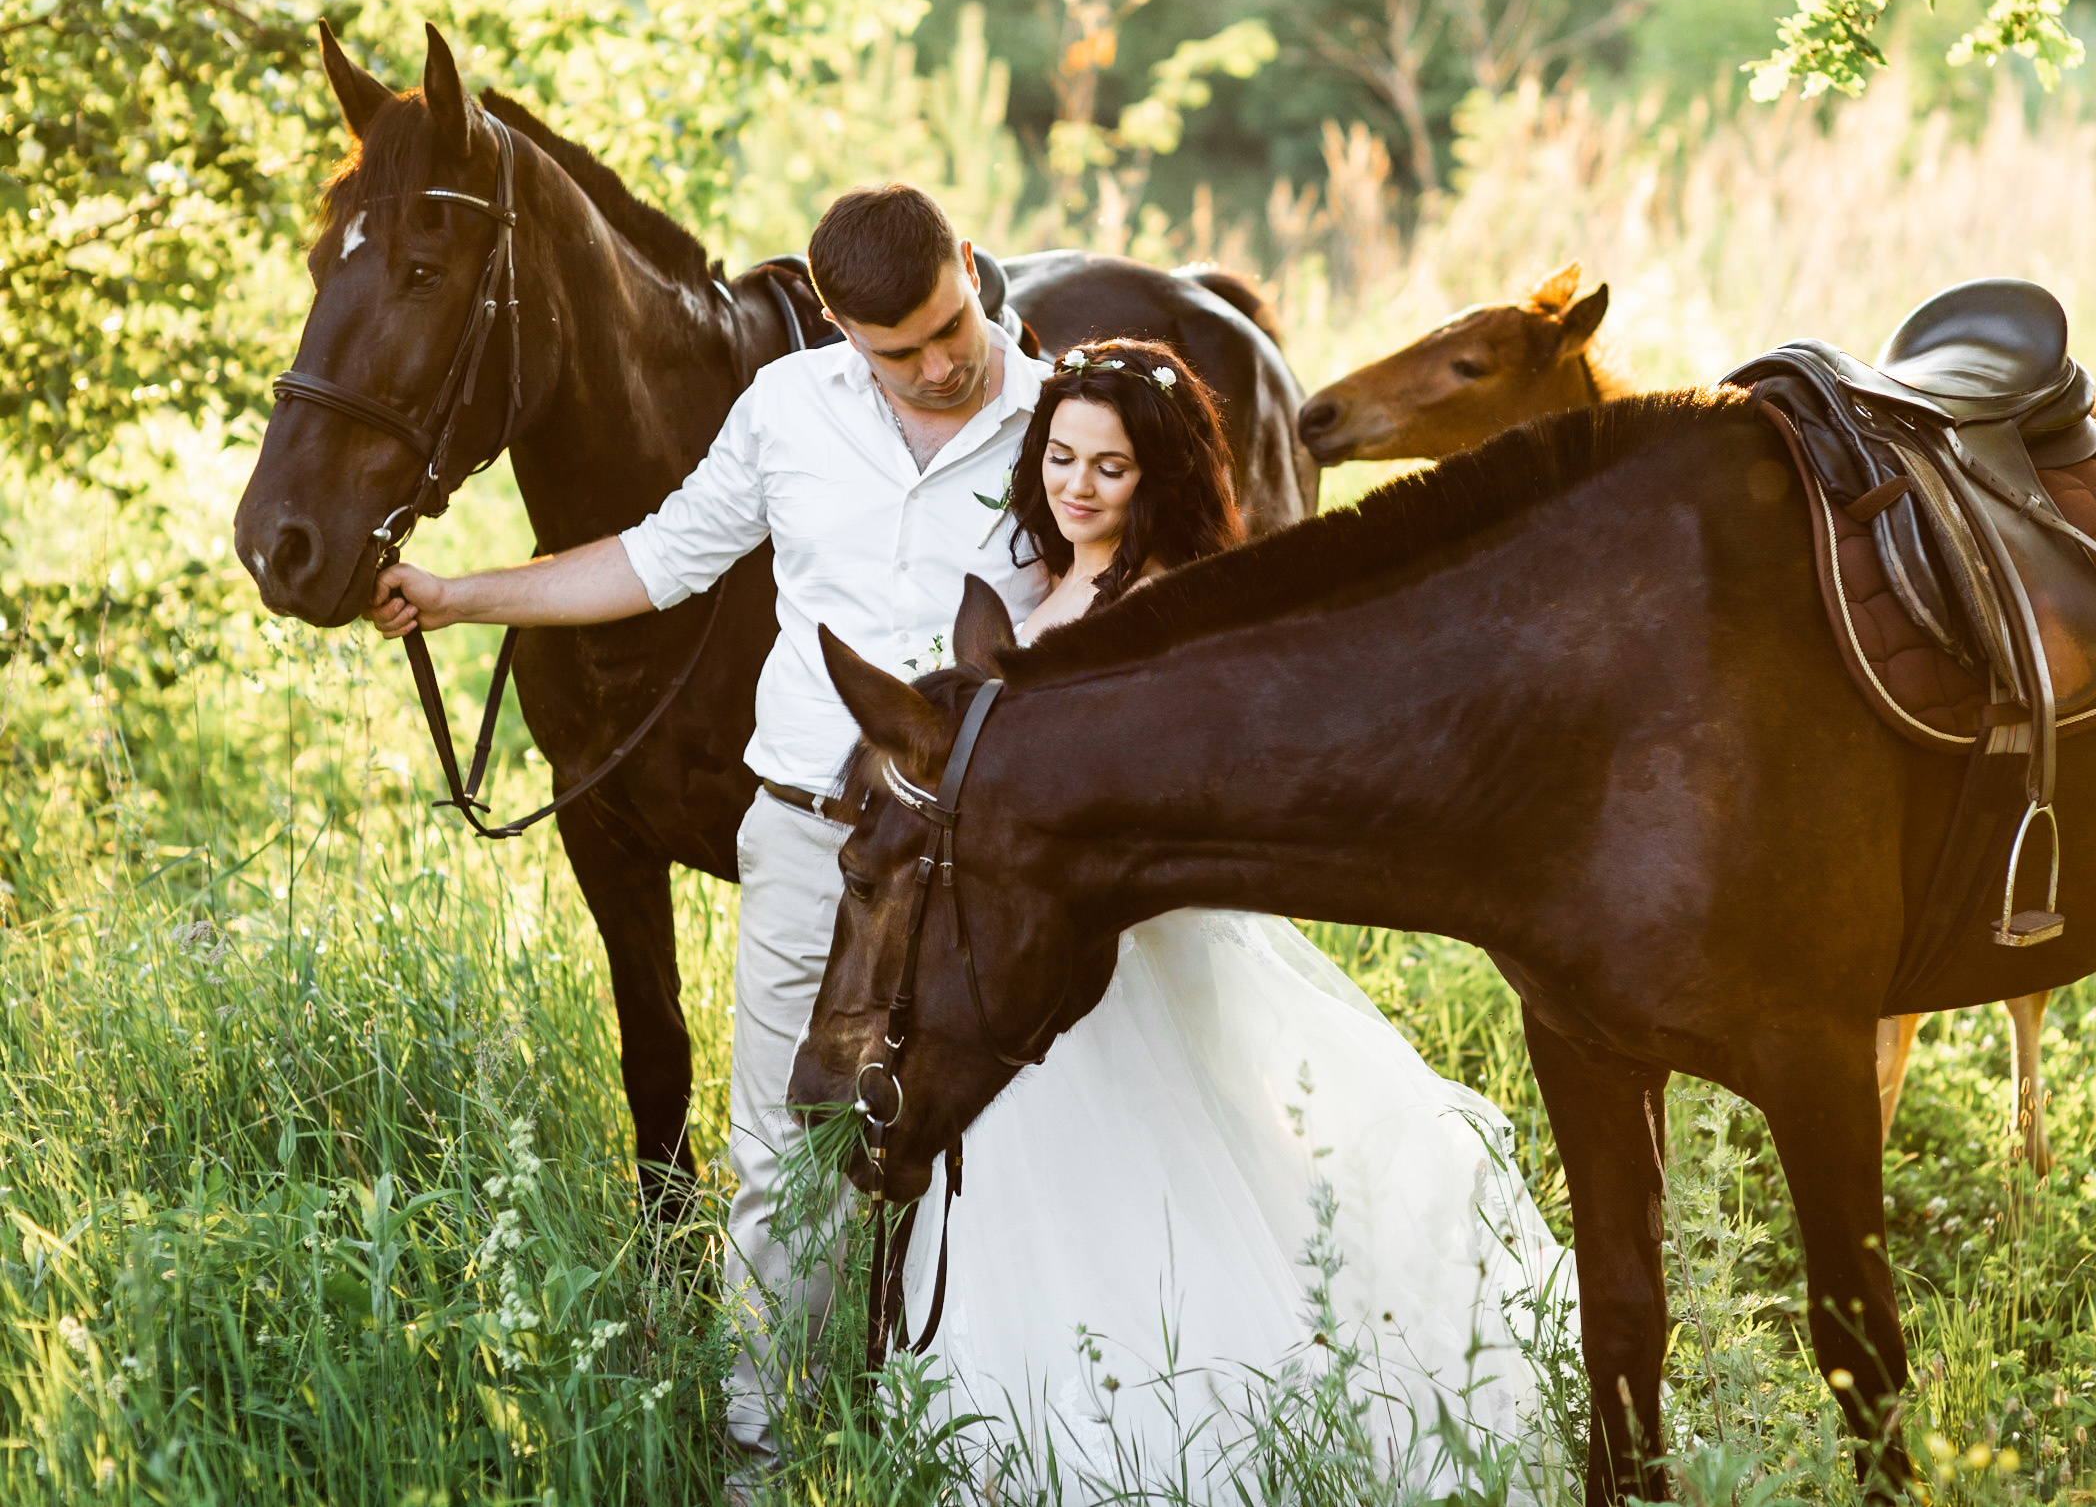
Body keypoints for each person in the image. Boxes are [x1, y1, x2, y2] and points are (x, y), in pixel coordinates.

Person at [363, 183, 1054, 1477]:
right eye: (893, 348)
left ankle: (971, 1441)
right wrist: (457, 595)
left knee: (989, 1146)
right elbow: (659, 557)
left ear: (970, 267)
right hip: (809, 837)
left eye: (948, 327)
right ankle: (766, 1452)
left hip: (990, 854)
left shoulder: (1057, 417)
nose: (935, 365)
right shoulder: (789, 410)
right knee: (780, 1160)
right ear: (835, 323)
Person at [888, 338, 1573, 1503]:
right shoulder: (1012, 591)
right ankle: (1014, 1450)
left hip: (1131, 959)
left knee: (1171, 1190)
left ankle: (1182, 1452)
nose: (1078, 486)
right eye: (1059, 457)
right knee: (1014, 1182)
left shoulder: (1167, 614)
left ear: (1158, 476)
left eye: (1111, 466)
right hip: (1005, 949)